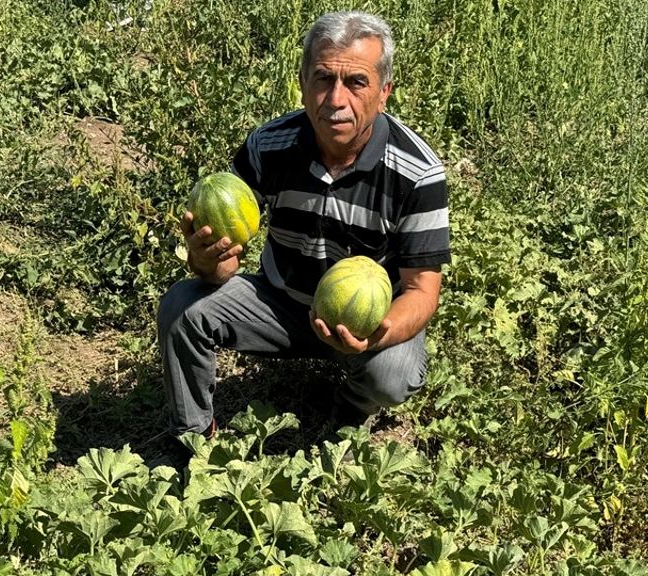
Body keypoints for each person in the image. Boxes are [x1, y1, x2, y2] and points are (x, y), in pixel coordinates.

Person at [157, 10, 450, 447]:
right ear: (302, 83)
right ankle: (192, 438)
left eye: (356, 83)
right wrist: (208, 262)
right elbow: (225, 261)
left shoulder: (417, 173)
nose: (335, 99)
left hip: (363, 320)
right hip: (280, 302)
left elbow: (422, 291)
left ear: (384, 93)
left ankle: (350, 407)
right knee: (182, 306)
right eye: (322, 78)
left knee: (393, 375)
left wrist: (374, 332)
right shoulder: (268, 146)